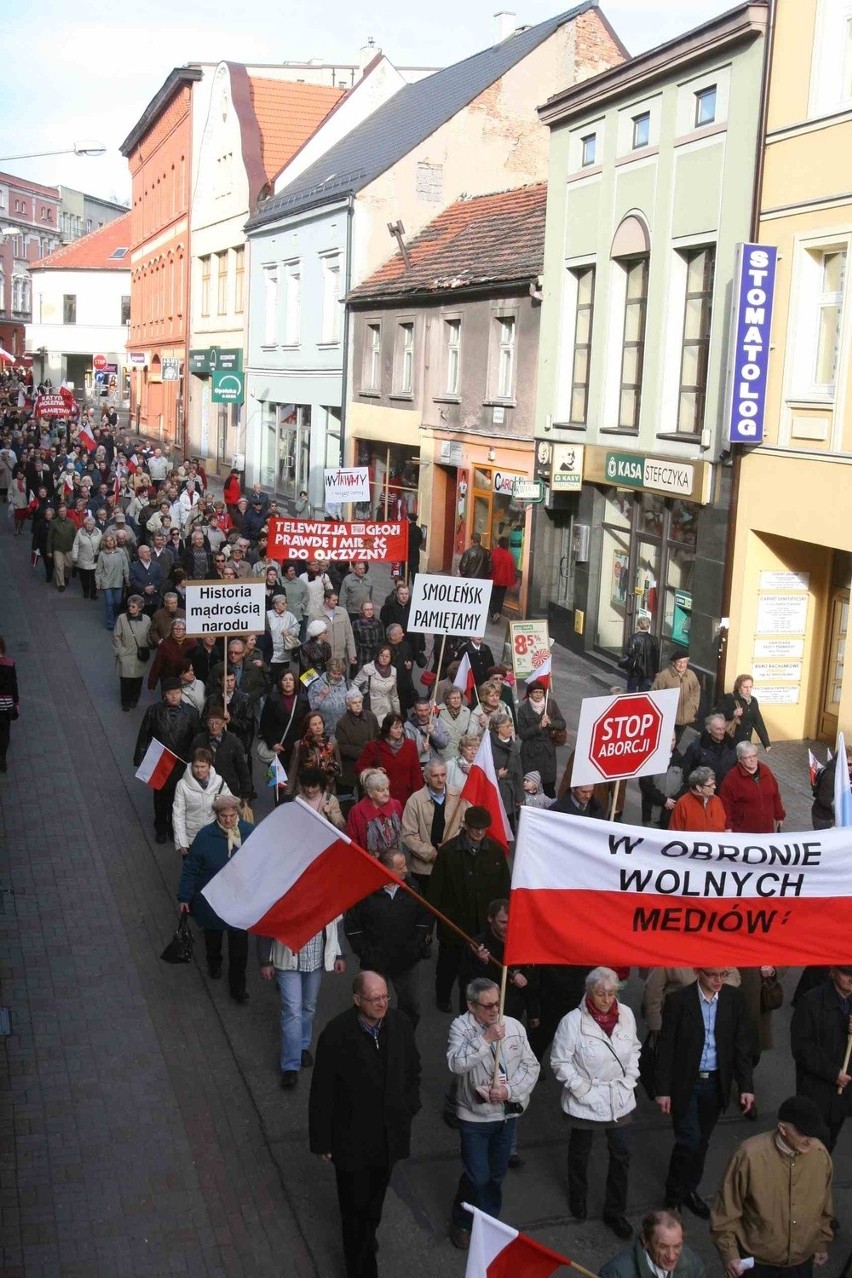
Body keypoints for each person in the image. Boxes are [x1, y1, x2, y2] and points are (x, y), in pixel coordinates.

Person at [309, 971, 421, 1278]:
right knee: (354, 1212)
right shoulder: (336, 1034)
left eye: (385, 996)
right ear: (357, 999)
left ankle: (367, 1236)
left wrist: (410, 1106)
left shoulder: (400, 1024)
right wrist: (322, 1141)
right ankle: (360, 1268)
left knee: (374, 1201)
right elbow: (322, 1092)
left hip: (388, 1138)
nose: (382, 1003)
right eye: (374, 999)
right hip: (351, 1142)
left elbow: (413, 1069)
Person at [447, 976, 539, 1250]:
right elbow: (456, 1064)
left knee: (497, 1174)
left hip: (506, 1115)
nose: (494, 1011)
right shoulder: (460, 1027)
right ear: (471, 1006)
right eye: (487, 1006)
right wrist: (486, 1039)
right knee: (477, 1176)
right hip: (474, 1116)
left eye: (497, 1004)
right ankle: (462, 1220)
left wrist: (509, 1093)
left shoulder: (513, 1026)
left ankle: (488, 1221)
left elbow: (531, 1066)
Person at [654, 967, 754, 1218]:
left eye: (722, 974)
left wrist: (746, 1087)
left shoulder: (733, 999)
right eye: (712, 975)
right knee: (689, 1139)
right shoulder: (679, 1001)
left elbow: (741, 1045)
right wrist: (663, 1090)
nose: (719, 980)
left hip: (715, 1083)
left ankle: (689, 1190)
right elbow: (666, 1047)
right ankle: (673, 1194)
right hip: (686, 1083)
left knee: (702, 1141)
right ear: (699, 972)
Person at [551, 966, 640, 1240]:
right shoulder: (571, 1022)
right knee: (580, 1151)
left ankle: (616, 1211)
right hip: (586, 1098)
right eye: (601, 993)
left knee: (622, 1153)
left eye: (612, 993)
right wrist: (581, 1089)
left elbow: (634, 1047)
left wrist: (630, 1078)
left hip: (619, 1096)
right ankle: (578, 1197)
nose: (607, 999)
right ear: (589, 992)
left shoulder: (626, 1015)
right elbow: (559, 1061)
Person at [710, 1096, 833, 1278]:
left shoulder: (820, 1156)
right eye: (803, 1133)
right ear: (783, 1129)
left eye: (813, 1133)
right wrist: (730, 1255)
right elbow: (726, 1210)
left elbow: (824, 1204)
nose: (810, 1140)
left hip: (801, 1263)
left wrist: (822, 1242)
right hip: (757, 1264)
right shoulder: (749, 1156)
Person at [427, 806, 511, 1013]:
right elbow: (435, 890)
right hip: (454, 923)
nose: (479, 833)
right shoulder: (447, 852)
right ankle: (443, 996)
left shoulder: (495, 852)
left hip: (484, 925)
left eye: (483, 829)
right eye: (475, 828)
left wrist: (506, 919)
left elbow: (504, 888)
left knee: (481, 967)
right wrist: (428, 926)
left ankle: (474, 1003)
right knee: (448, 964)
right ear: (465, 826)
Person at [178, 794, 254, 1003]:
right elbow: (191, 869)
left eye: (231, 815)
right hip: (212, 899)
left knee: (239, 948)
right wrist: (184, 896)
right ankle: (214, 962)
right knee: (213, 937)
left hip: (240, 900)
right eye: (224, 816)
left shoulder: (249, 832)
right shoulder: (205, 836)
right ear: (217, 815)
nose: (228, 820)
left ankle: (238, 987)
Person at [344, 849, 432, 1028]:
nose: (406, 871)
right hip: (376, 962)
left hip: (407, 961)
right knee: (371, 1007)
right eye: (400, 867)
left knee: (411, 1005)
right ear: (386, 869)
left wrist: (416, 946)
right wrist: (366, 953)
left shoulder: (412, 887)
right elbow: (352, 927)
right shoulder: (364, 892)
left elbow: (424, 918)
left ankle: (405, 1037)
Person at [258, 916, 346, 1089]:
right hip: (286, 960)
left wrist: (340, 954)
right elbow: (267, 921)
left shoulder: (325, 890)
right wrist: (265, 960)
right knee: (292, 1011)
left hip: (316, 959)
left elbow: (337, 920)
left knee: (309, 1006)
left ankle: (302, 1046)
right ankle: (290, 1066)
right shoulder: (281, 890)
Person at [790, 965, 852, 1151]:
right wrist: (833, 1074)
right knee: (807, 1141)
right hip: (815, 1089)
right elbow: (802, 1048)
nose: (851, 979)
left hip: (842, 1093)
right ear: (832, 972)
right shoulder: (811, 1002)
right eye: (846, 973)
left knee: (829, 1141)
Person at [133, 678, 199, 843]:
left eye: (177, 693)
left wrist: (196, 760)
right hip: (160, 761)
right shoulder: (153, 711)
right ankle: (161, 827)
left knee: (178, 798)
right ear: (164, 695)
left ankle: (174, 827)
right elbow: (144, 736)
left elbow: (197, 738)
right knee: (160, 798)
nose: (174, 696)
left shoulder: (191, 713)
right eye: (170, 693)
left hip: (181, 762)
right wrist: (140, 758)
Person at [401, 760, 467, 891]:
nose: (440, 779)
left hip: (452, 864)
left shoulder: (459, 796)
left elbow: (465, 826)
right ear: (426, 777)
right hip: (423, 869)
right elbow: (408, 835)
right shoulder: (415, 800)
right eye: (435, 776)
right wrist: (432, 854)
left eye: (443, 775)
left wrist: (449, 849)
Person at [601, 1209, 706, 1278]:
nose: (671, 1256)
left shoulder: (693, 1265)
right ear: (645, 1241)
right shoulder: (616, 1273)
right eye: (663, 1246)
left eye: (677, 1246)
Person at [172, 748, 232, 855]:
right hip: (192, 840)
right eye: (196, 766)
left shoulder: (218, 782)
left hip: (213, 836)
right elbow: (178, 814)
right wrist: (181, 842)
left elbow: (230, 805)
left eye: (203, 767)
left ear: (209, 766)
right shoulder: (181, 785)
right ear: (191, 765)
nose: (199, 770)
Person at [356, 712, 423, 807]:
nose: (399, 731)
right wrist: (373, 772)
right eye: (395, 728)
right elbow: (359, 767)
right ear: (387, 729)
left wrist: (418, 796)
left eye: (401, 727)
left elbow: (416, 773)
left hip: (406, 798)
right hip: (382, 798)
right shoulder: (374, 747)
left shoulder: (410, 745)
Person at [189, 705, 252, 804]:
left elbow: (243, 769)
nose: (214, 726)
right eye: (211, 722)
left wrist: (246, 792)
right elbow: (191, 764)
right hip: (203, 790)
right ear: (207, 723)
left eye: (217, 723)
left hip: (228, 789)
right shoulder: (198, 740)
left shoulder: (234, 742)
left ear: (223, 723)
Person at [719, 742, 785, 834]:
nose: (752, 760)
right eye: (747, 757)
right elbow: (725, 805)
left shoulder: (765, 770)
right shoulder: (732, 778)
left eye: (754, 756)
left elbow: (775, 795)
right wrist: (727, 827)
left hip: (767, 829)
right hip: (744, 831)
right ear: (740, 759)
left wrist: (779, 816)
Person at [517, 680, 565, 798]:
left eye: (540, 692)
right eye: (535, 692)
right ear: (529, 694)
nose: (538, 695)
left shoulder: (551, 704)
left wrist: (550, 722)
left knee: (548, 785)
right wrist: (538, 727)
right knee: (529, 786)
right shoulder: (523, 710)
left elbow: (562, 724)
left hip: (547, 751)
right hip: (530, 753)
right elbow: (522, 734)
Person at [345, 768, 403, 854]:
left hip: (395, 862)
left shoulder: (396, 805)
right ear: (370, 793)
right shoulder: (357, 811)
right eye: (381, 790)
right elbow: (352, 841)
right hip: (368, 863)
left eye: (387, 789)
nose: (386, 793)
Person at [335, 688, 379, 794]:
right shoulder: (342, 723)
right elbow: (342, 747)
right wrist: (363, 752)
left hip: (371, 764)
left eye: (359, 702)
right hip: (352, 767)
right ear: (348, 705)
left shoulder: (371, 716)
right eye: (354, 703)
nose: (358, 705)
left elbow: (378, 735)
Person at [112, 594, 152, 711]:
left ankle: (135, 699)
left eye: (133, 606)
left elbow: (149, 635)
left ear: (140, 608)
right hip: (126, 653)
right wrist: (119, 651)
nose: (130, 608)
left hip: (140, 654)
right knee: (125, 680)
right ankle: (125, 702)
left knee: (137, 680)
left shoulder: (147, 619)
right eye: (129, 606)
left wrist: (149, 646)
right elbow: (116, 636)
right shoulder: (121, 618)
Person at [652, 650, 701, 740]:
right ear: (673, 662)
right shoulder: (664, 676)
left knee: (677, 740)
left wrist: (694, 706)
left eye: (685, 662)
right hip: (669, 718)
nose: (682, 665)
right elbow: (654, 693)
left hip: (685, 718)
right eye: (679, 662)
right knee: (667, 741)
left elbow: (696, 690)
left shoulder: (691, 675)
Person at [714, 674, 771, 751]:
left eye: (750, 687)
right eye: (745, 687)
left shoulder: (753, 701)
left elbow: (758, 722)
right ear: (739, 687)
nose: (748, 690)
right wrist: (733, 713)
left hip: (746, 742)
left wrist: (766, 743)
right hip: (731, 741)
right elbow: (717, 715)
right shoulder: (730, 698)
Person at [288, 711, 342, 793]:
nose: (318, 727)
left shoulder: (332, 742)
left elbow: (339, 769)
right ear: (308, 727)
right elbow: (293, 772)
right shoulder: (300, 745)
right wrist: (288, 793)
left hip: (326, 789)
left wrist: (331, 767)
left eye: (320, 723)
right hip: (306, 789)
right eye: (314, 724)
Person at [680, 714, 738, 790]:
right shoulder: (697, 747)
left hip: (727, 791)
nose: (722, 732)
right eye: (718, 729)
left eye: (723, 728)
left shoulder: (732, 746)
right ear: (709, 730)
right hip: (704, 792)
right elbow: (687, 772)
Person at [490, 711, 524, 830]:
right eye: (507, 726)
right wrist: (496, 774)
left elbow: (518, 772)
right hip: (495, 792)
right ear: (498, 728)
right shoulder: (488, 745)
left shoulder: (512, 745)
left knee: (509, 828)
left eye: (511, 726)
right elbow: (482, 769)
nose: (511, 729)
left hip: (509, 793)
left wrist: (519, 796)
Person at [668, 767, 728, 832]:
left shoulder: (717, 801)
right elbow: (675, 832)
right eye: (710, 785)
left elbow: (722, 827)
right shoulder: (683, 803)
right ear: (698, 787)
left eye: (714, 783)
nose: (714, 787)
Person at [353, 643, 400, 724]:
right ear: (378, 656)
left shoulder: (393, 671)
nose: (384, 658)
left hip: (386, 708)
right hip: (370, 707)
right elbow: (355, 684)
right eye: (382, 655)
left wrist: (397, 715)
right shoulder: (368, 668)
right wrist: (357, 701)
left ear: (391, 658)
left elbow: (394, 695)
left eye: (387, 656)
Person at [147, 618, 197, 692]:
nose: (178, 631)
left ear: (185, 630)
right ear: (171, 630)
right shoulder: (165, 644)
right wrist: (152, 684)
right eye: (175, 628)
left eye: (181, 629)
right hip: (169, 679)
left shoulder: (192, 643)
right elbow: (157, 664)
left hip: (187, 680)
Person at [311, 589, 356, 668]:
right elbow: (311, 638)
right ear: (327, 600)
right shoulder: (315, 614)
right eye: (334, 600)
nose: (336, 602)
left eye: (337, 600)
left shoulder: (343, 612)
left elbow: (349, 634)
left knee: (341, 679)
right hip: (323, 657)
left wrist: (352, 653)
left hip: (340, 656)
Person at [307, 657, 349, 740]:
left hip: (341, 729)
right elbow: (310, 706)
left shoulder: (345, 684)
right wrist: (321, 695)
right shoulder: (317, 684)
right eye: (334, 673)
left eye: (339, 674)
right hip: (323, 731)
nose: (337, 676)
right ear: (328, 671)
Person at [404, 696, 450, 770]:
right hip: (419, 765)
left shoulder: (437, 722)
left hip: (436, 763)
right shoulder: (408, 726)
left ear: (430, 709)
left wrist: (434, 733)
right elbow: (408, 751)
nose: (424, 713)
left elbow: (444, 743)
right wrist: (421, 749)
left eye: (426, 710)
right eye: (420, 710)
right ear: (414, 710)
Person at [811, 751, 852, 829]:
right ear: (840, 762)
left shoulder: (844, 773)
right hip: (825, 818)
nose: (851, 767)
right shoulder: (831, 776)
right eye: (849, 764)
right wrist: (842, 805)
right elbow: (825, 800)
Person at [265, 593, 300, 684]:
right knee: (271, 677)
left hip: (285, 653)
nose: (285, 605)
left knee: (283, 676)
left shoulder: (289, 615)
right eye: (283, 603)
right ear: (276, 605)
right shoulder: (268, 615)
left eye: (285, 603)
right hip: (271, 652)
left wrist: (289, 631)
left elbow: (297, 628)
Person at [621, 617, 660, 693]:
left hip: (635, 669)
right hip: (648, 670)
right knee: (643, 691)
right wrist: (656, 670)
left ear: (638, 625)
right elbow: (656, 656)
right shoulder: (654, 639)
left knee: (631, 689)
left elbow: (630, 652)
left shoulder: (634, 637)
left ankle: (631, 704)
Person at [437, 686, 476, 762]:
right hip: (445, 753)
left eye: (458, 698)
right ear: (447, 699)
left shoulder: (467, 711)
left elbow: (469, 732)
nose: (456, 700)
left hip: (462, 753)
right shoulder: (438, 710)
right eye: (453, 698)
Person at [45, 503, 76, 591]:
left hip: (69, 548)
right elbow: (49, 538)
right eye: (60, 511)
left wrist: (76, 548)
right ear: (58, 512)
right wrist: (49, 551)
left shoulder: (71, 522)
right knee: (59, 566)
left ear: (66, 512)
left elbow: (75, 535)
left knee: (69, 565)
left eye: (64, 511)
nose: (62, 513)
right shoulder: (53, 523)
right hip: (57, 548)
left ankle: (66, 577)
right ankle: (61, 584)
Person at [0, 635, 19, 773]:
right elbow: (14, 685)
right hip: (6, 705)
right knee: (5, 732)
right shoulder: (10, 663)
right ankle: (2, 758)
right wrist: (16, 703)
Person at [71, 515, 102, 600]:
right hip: (83, 559)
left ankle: (93, 593)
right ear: (85, 524)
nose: (89, 526)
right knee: (84, 578)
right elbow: (75, 545)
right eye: (87, 524)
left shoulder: (99, 532)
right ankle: (86, 592)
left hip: (94, 560)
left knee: (94, 578)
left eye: (91, 524)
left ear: (94, 525)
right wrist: (74, 556)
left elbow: (101, 544)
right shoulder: (80, 532)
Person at [351, 600, 384, 672]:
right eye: (367, 609)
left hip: (375, 656)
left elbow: (382, 640)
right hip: (362, 656)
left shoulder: (378, 623)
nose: (369, 611)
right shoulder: (356, 624)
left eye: (371, 609)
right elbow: (353, 642)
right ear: (362, 611)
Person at [489, 536, 516, 621]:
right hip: (504, 581)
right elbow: (511, 569)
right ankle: (498, 612)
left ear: (499, 544)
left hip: (493, 579)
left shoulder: (493, 553)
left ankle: (493, 613)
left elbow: (489, 566)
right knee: (500, 598)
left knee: (492, 597)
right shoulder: (509, 555)